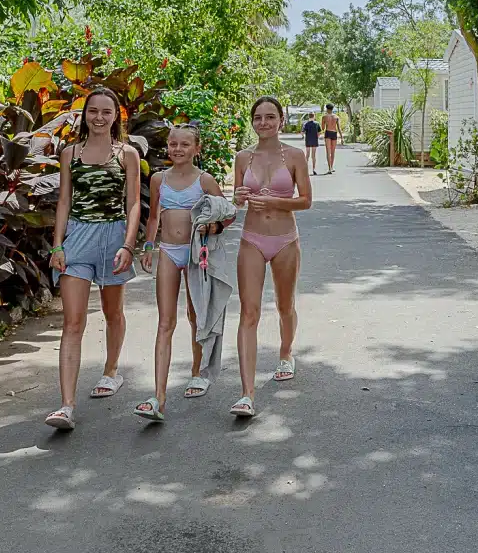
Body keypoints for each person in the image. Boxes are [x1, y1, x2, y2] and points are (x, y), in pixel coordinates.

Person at [45, 87, 141, 431]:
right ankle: (66, 406)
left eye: (106, 112)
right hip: (78, 240)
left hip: (114, 238)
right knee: (73, 322)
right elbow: (63, 201)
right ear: (84, 115)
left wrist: (128, 245)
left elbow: (133, 203)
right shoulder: (70, 153)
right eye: (93, 111)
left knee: (113, 312)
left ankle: (111, 371)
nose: (99, 117)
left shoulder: (127, 154)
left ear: (116, 117)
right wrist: (57, 246)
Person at [133, 123, 227, 422]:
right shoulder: (159, 179)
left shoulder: (205, 181)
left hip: (196, 254)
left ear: (196, 148)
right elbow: (153, 216)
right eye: (173, 144)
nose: (177, 149)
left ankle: (198, 372)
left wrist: (213, 226)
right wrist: (148, 245)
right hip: (168, 253)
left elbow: (227, 212)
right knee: (165, 321)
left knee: (196, 314)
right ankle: (158, 397)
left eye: (184, 145)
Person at [230, 96, 312, 418]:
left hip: (285, 240)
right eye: (258, 117)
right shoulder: (242, 158)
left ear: (281, 120)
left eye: (270, 117)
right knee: (248, 313)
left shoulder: (294, 156)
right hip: (251, 239)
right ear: (252, 122)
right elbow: (238, 201)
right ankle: (246, 394)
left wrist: (276, 203)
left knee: (284, 305)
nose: (263, 123)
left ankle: (285, 352)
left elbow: (306, 200)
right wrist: (237, 197)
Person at [321, 103, 343, 175]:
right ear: (332, 109)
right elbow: (339, 128)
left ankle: (329, 168)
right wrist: (342, 137)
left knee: (328, 151)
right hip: (334, 133)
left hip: (328, 133)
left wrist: (325, 124)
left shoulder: (324, 117)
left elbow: (323, 128)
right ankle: (332, 167)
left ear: (327, 109)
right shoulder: (336, 117)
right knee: (333, 152)